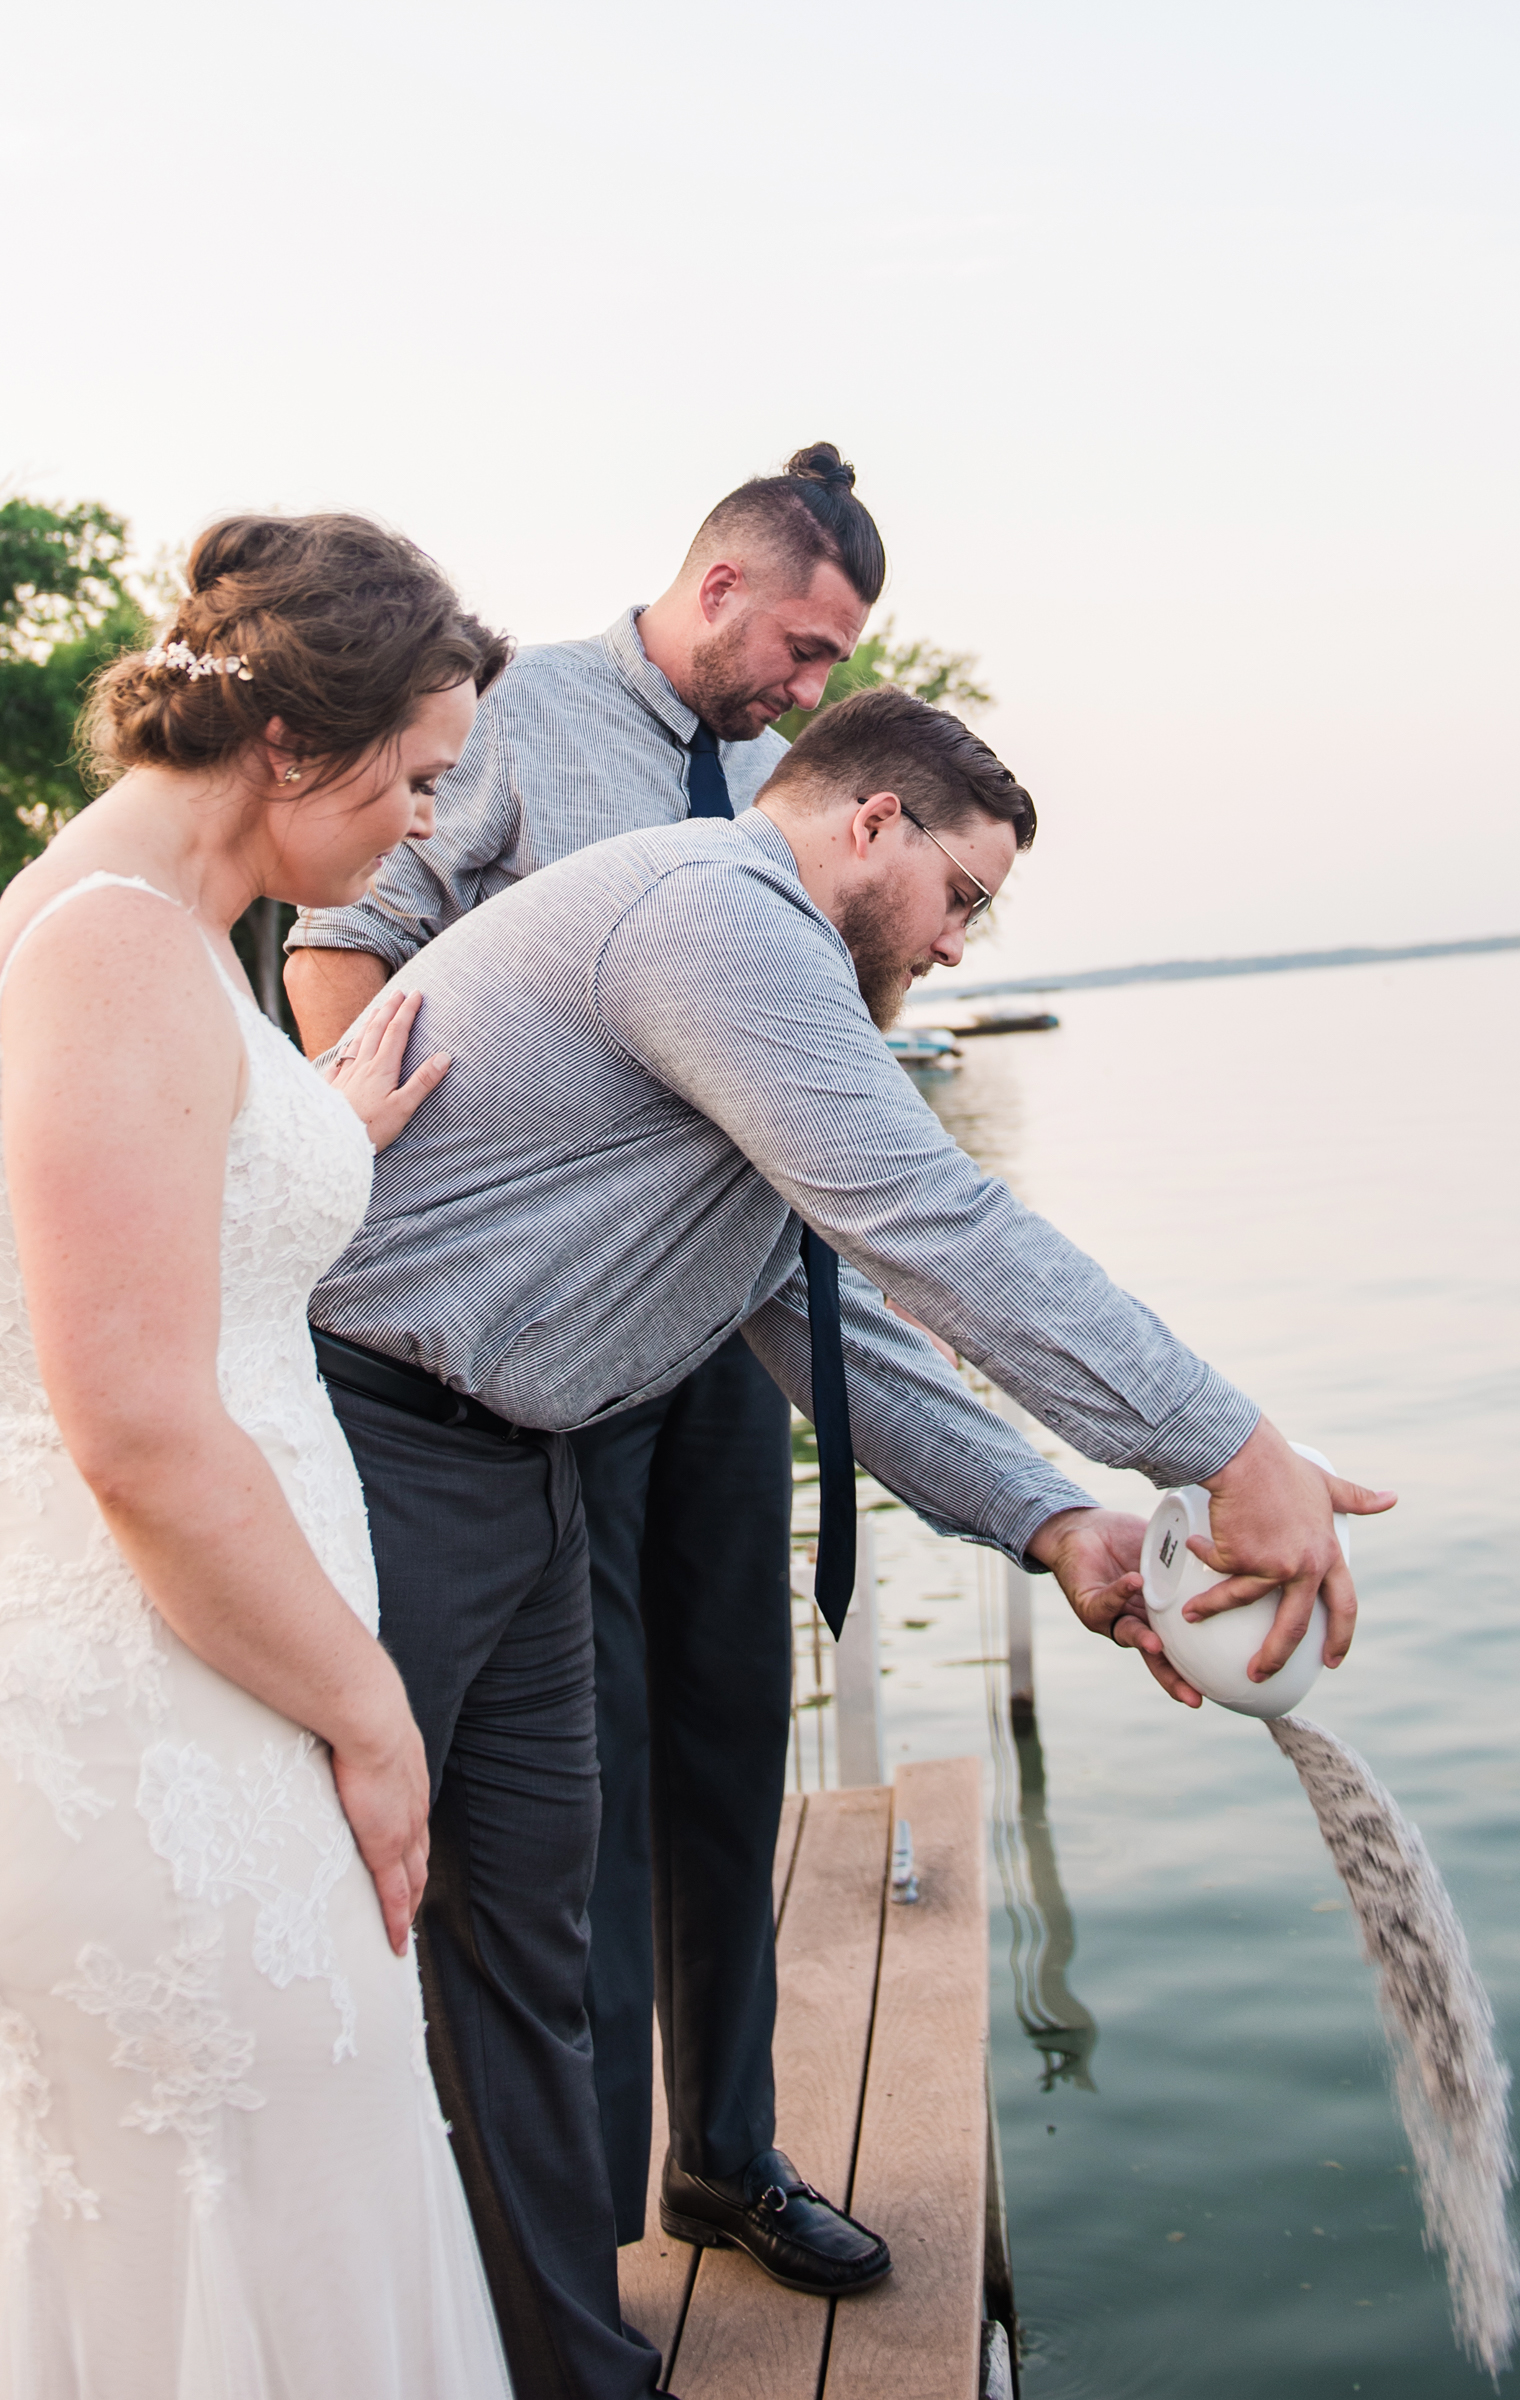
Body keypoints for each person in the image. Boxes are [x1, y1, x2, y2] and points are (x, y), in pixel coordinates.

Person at [305, 683, 1397, 2397]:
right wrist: (1228, 1446)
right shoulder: (714, 916)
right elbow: (932, 1219)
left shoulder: (770, 986)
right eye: (962, 896)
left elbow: (831, 1325)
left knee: (526, 1954)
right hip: (378, 1437)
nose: (960, 948)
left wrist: (1056, 1524)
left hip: (520, 1461)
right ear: (870, 824)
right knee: (342, 1925)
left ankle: (571, 2367)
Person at [284, 446, 891, 2279]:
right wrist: (393, 1193)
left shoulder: (784, 786)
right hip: (534, 1350)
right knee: (589, 1774)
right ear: (718, 588)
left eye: (834, 660)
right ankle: (592, 2203)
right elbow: (340, 947)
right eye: (799, 644)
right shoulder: (529, 714)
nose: (811, 685)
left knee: (726, 1739)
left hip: (707, 1329)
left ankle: (728, 2151)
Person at [0, 513, 516, 2397]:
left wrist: (312, 1133)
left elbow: (171, 1219)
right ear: (296, 745)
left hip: (199, 1697)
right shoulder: (119, 952)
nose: (429, 827)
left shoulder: (151, 940)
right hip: (171, 1725)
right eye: (422, 777)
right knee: (249, 2247)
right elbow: (133, 1423)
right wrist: (373, 1717)